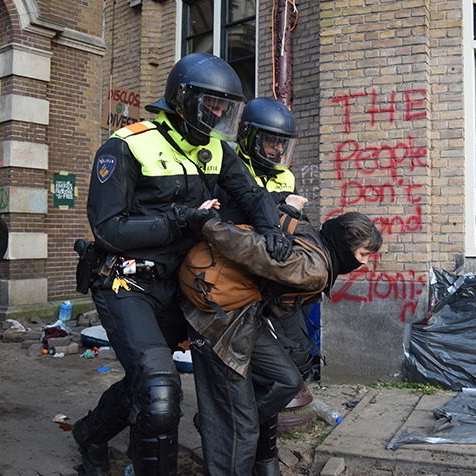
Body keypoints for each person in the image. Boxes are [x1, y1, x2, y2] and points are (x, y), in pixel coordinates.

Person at [72, 53, 293, 476]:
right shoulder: (126, 144)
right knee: (159, 390)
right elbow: (107, 229)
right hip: (126, 283)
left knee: (151, 381)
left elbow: (251, 195)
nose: (217, 116)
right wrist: (181, 220)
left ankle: (89, 431)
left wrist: (272, 231)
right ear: (183, 99)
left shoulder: (217, 150)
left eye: (225, 109)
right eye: (211, 105)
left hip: (184, 286)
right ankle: (93, 441)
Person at [179, 201, 383, 476]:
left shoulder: (313, 236)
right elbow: (255, 250)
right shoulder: (314, 268)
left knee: (286, 381)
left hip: (247, 313)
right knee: (243, 428)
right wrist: (207, 224)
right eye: (362, 254)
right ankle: (229, 425)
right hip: (220, 321)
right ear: (345, 246)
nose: (364, 263)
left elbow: (277, 217)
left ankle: (221, 420)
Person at [214, 96, 317, 473]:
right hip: (236, 284)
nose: (275, 150)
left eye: (281, 143)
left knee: (299, 360)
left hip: (275, 282)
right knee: (253, 371)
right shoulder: (231, 168)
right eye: (269, 141)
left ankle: (263, 449)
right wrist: (280, 207)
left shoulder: (284, 175)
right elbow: (233, 221)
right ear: (249, 137)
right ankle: (259, 455)